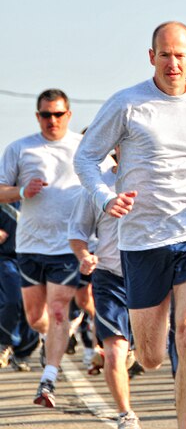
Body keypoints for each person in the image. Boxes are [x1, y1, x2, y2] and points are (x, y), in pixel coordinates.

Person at [73, 22, 186, 429]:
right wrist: (106, 197)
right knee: (152, 355)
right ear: (152, 56)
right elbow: (86, 158)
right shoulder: (127, 104)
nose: (173, 63)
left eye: (180, 55)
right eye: (165, 55)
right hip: (140, 240)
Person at [0, 89, 97, 407]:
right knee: (35, 317)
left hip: (67, 245)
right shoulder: (21, 148)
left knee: (57, 311)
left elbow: (110, 177)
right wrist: (22, 190)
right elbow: (1, 191)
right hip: (30, 245)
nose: (51, 120)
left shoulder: (84, 148)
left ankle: (48, 381)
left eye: (57, 114)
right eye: (45, 114)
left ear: (69, 115)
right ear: (37, 116)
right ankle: (55, 336)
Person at [69, 152, 142, 429]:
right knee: (114, 351)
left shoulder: (161, 180)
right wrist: (84, 255)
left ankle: (139, 350)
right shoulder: (98, 187)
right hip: (109, 276)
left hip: (150, 277)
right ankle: (126, 414)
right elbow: (77, 232)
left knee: (152, 354)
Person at [0, 202, 40, 372]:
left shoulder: (38, 187)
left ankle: (23, 352)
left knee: (33, 307)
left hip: (36, 255)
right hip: (6, 257)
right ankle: (5, 342)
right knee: (13, 298)